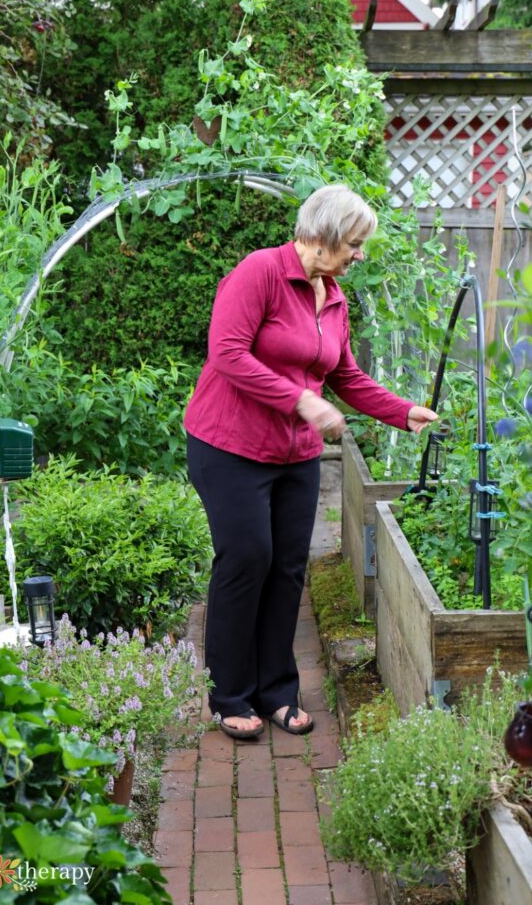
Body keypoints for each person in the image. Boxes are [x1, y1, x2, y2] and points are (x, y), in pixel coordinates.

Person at [184, 184, 437, 739]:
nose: (359, 255)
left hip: (296, 455)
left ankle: (277, 690)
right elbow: (227, 353)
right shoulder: (261, 273)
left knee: (287, 568)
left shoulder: (334, 296)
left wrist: (402, 411)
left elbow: (344, 375)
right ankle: (229, 694)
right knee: (247, 559)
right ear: (322, 236)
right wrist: (299, 400)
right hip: (229, 447)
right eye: (354, 243)